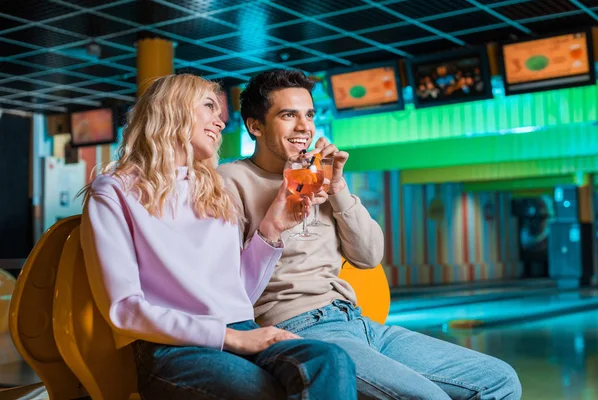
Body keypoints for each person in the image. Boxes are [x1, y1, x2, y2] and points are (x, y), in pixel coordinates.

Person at [218, 69, 523, 400]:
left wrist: (337, 188)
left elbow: (368, 255)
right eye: (288, 115)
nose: (304, 127)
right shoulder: (229, 182)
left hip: (357, 320)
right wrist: (281, 211)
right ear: (255, 126)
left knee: (499, 379)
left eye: (308, 115)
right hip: (301, 328)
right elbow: (227, 285)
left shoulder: (319, 179)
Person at [80, 74, 357, 400]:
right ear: (174, 109)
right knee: (266, 392)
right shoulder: (114, 190)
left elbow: (238, 293)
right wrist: (229, 338)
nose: (221, 122)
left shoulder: (212, 189)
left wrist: (272, 227)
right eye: (210, 107)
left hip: (243, 330)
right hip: (174, 348)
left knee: (332, 360)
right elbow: (125, 309)